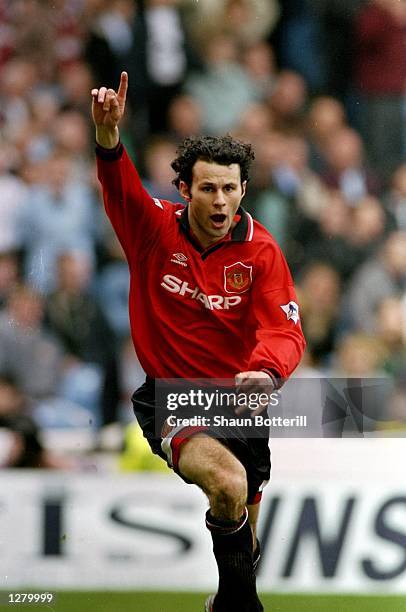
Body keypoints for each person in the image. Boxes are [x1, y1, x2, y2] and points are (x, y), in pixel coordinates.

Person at [91, 72, 305, 612]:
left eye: (229, 188)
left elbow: (284, 328)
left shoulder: (262, 252)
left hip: (239, 401)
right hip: (174, 395)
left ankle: (228, 603)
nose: (219, 200)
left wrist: (268, 371)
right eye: (207, 188)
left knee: (245, 544)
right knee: (228, 484)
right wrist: (108, 136)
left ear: (243, 191)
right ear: (184, 190)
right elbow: (119, 188)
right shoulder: (152, 230)